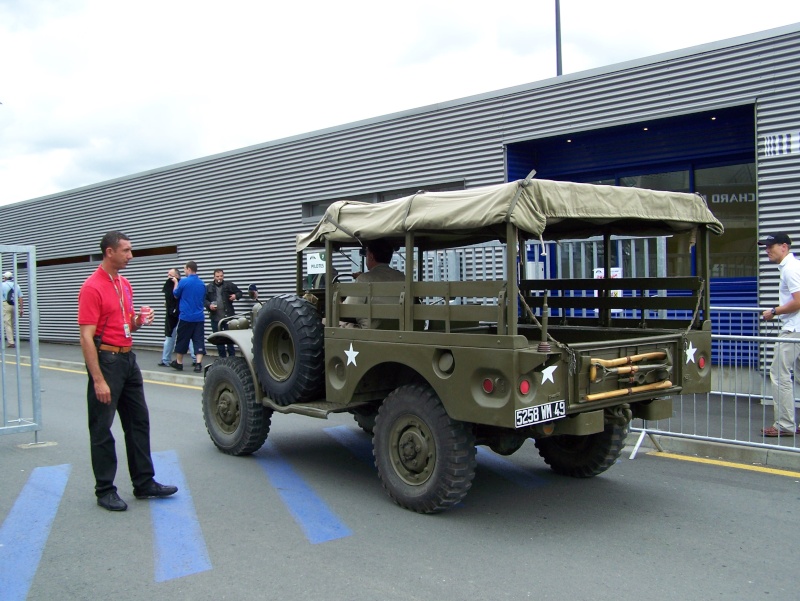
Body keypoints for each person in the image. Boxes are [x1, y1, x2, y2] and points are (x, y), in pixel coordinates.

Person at [77, 231, 178, 511]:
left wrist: (139, 320)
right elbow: (86, 337)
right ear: (109, 252)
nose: (130, 256)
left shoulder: (124, 283)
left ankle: (144, 482)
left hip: (127, 358)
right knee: (102, 427)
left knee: (138, 421)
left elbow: (127, 323)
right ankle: (105, 490)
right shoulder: (92, 287)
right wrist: (98, 379)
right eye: (126, 251)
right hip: (106, 360)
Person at [759, 232, 800, 437]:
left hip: (793, 329)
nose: (767, 250)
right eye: (766, 246)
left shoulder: (790, 269)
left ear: (784, 247)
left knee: (779, 374)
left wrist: (774, 311)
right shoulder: (794, 266)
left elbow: (798, 301)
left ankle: (784, 424)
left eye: (771, 246)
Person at [342, 238, 405, 328]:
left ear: (371, 256)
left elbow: (347, 310)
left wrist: (339, 302)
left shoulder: (363, 279)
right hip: (399, 329)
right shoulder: (402, 277)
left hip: (370, 332)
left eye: (366, 254)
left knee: (325, 322)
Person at [172, 261, 206, 372]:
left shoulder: (184, 281)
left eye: (185, 269)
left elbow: (176, 294)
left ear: (189, 269)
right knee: (198, 340)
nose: (184, 271)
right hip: (199, 317)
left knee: (182, 339)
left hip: (186, 316)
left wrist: (175, 283)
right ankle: (198, 364)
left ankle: (179, 363)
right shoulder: (202, 283)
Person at [158, 268, 195, 367]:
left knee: (188, 336)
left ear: (177, 276)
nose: (169, 277)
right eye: (168, 275)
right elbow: (169, 298)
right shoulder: (167, 285)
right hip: (171, 316)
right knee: (169, 337)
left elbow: (176, 296)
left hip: (183, 314)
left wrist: (175, 283)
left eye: (171, 275)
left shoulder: (182, 284)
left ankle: (195, 359)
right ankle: (165, 359)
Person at [204, 269, 242, 358]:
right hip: (215, 318)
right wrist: (209, 305)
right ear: (214, 277)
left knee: (229, 339)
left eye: (221, 276)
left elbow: (240, 293)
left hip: (228, 317)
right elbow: (204, 300)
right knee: (218, 339)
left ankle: (232, 357)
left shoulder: (229, 285)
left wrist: (235, 296)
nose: (219, 278)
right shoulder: (208, 287)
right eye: (217, 276)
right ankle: (222, 357)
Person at [1, 271, 24, 348]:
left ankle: (11, 342)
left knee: (7, 323)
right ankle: (12, 339)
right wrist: (21, 308)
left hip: (5, 305)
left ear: (5, 278)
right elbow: (20, 298)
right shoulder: (16, 285)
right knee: (12, 323)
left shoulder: (2, 285)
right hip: (15, 305)